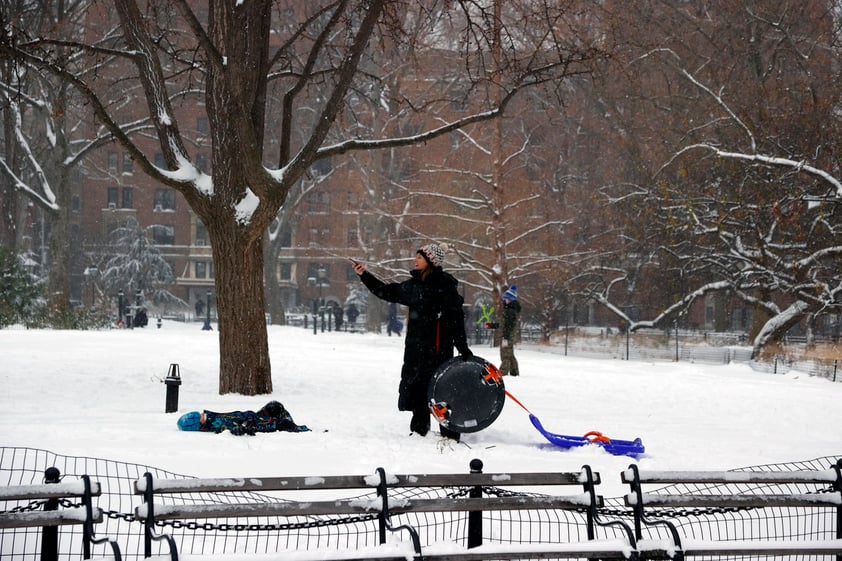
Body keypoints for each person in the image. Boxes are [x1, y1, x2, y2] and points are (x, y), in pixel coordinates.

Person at [351, 243, 472, 441]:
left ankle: (449, 435)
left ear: (431, 262)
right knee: (418, 390)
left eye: (420, 258)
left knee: (442, 391)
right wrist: (364, 275)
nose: (415, 260)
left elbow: (455, 320)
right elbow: (386, 291)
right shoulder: (413, 286)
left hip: (439, 350)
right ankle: (419, 433)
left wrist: (463, 347)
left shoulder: (445, 287)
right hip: (416, 351)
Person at [177, 400, 310, 435]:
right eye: (199, 416)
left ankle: (291, 425)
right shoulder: (213, 424)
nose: (202, 414)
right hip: (257, 423)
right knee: (283, 422)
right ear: (195, 424)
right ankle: (298, 429)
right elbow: (228, 427)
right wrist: (244, 426)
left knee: (274, 406)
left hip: (252, 416)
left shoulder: (210, 417)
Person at [500, 285, 521, 376]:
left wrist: (505, 338)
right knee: (510, 353)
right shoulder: (512, 310)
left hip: (508, 336)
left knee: (505, 354)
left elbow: (508, 326)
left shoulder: (510, 311)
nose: (504, 300)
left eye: (506, 299)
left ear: (510, 299)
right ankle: (514, 371)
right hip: (510, 335)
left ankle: (502, 371)